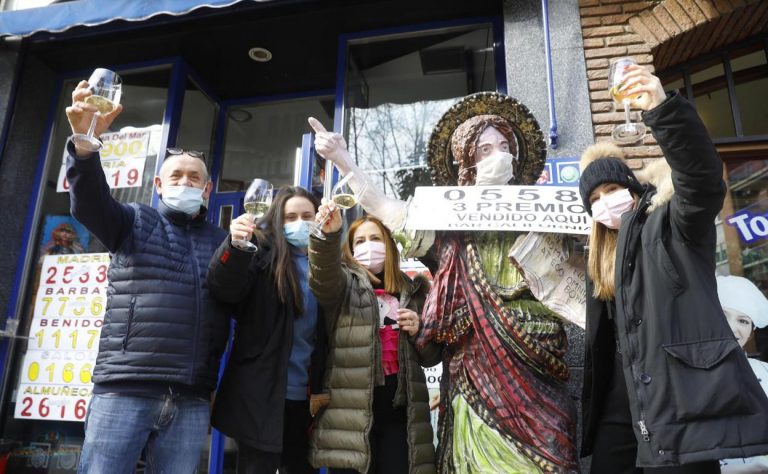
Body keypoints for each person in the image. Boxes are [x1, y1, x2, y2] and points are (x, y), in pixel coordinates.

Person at [309, 90, 579, 473]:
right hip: (475, 367)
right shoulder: (450, 229)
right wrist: (342, 159)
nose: (498, 155)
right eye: (484, 150)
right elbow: (386, 209)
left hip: (536, 361)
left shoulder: (543, 217)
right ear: (467, 162)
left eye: (505, 146)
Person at [578, 64, 768, 473]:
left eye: (611, 189)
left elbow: (701, 179)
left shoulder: (671, 224)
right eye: (594, 197)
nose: (604, 201)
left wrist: (662, 110)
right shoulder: (599, 258)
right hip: (618, 414)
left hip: (680, 408)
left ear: (631, 188)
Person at [66, 81, 230, 473]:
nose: (185, 183)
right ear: (158, 185)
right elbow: (89, 203)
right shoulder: (134, 220)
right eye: (176, 177)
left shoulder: (221, 240)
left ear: (207, 190)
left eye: (194, 178)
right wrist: (85, 145)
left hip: (191, 398)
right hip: (125, 390)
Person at [207, 186, 326, 474]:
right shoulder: (260, 255)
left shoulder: (327, 264)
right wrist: (234, 247)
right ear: (276, 220)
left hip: (308, 401)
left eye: (307, 215)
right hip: (260, 396)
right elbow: (223, 288)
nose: (299, 222)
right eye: (290, 216)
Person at [307, 210, 435, 474]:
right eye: (360, 241)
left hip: (400, 417)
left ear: (388, 244)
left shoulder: (413, 291)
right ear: (350, 250)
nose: (368, 246)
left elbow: (432, 356)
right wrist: (328, 237)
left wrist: (419, 332)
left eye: (375, 238)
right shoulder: (343, 286)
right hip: (349, 418)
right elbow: (323, 275)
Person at [717, 275, 768, 473]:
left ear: (752, 330)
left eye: (744, 321)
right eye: (723, 315)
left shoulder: (765, 372)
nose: (733, 327)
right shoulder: (680, 376)